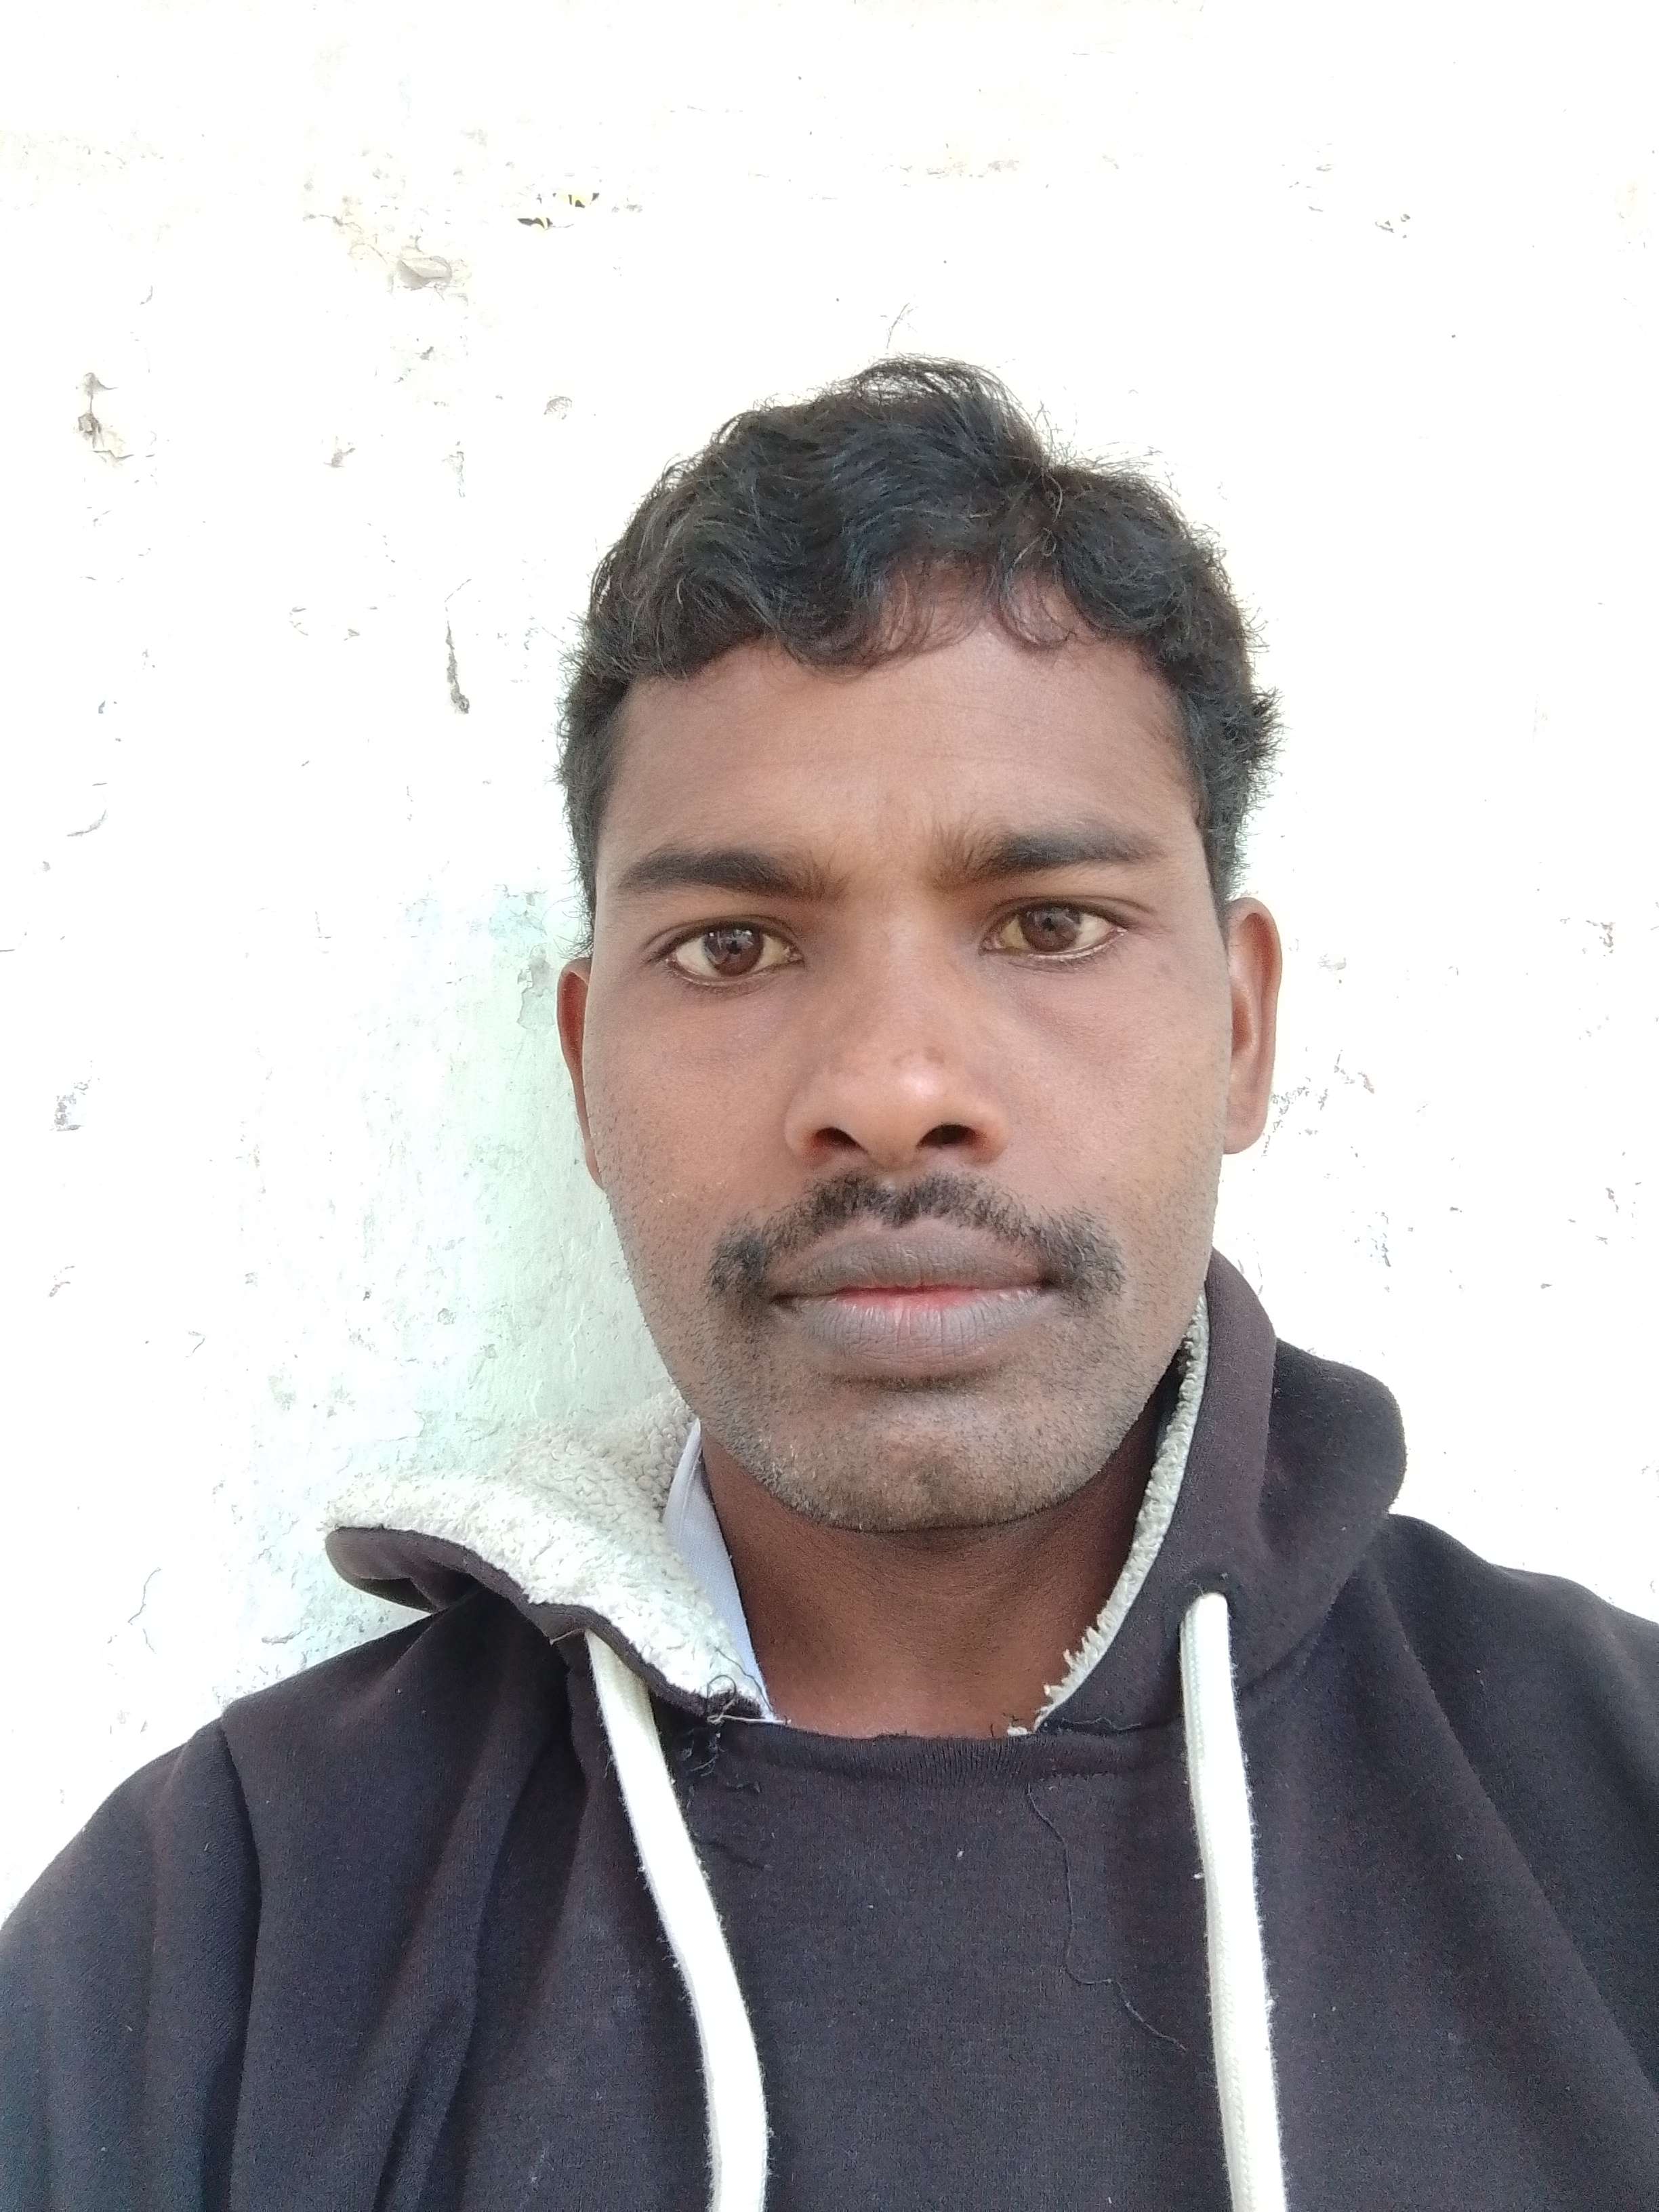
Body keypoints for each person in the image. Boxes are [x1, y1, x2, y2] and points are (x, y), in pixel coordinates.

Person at [3, 359, 1656, 2212]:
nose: (891, 1087)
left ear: (1244, 1029)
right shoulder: (217, 1943)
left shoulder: (1615, 1803)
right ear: (586, 1073)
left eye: (1048, 925)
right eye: (734, 946)